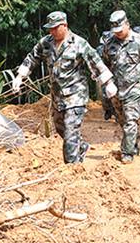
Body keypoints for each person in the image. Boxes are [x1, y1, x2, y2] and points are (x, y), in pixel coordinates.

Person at [12, 11, 116, 164]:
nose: (52, 31)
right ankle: (81, 147)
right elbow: (32, 57)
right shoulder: (46, 43)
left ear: (65, 25)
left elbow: (95, 62)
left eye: (55, 28)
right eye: (50, 28)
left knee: (70, 132)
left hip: (76, 95)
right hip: (57, 97)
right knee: (61, 128)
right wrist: (20, 76)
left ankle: (72, 167)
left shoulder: (79, 43)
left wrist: (108, 83)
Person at [101, 11, 140, 164]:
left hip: (134, 88)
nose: (118, 34)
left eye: (120, 30)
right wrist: (106, 83)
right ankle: (135, 140)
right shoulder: (109, 44)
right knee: (122, 120)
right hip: (115, 89)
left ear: (127, 24)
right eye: (115, 31)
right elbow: (104, 65)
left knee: (130, 120)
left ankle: (127, 153)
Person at [96, 30, 116, 121]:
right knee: (105, 95)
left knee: (116, 94)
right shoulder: (100, 49)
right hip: (104, 74)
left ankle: (116, 113)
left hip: (116, 73)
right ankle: (108, 110)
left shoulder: (115, 46)